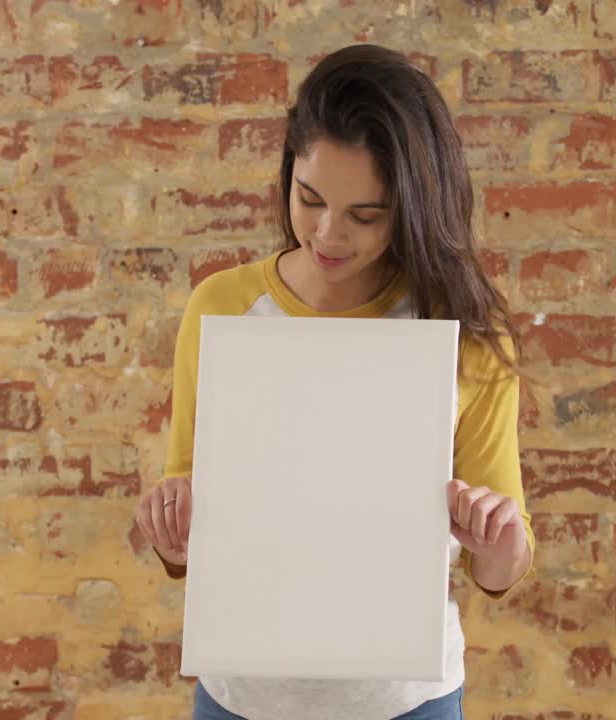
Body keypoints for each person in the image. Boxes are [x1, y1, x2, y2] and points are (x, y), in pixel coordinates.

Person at [133, 43, 535, 720]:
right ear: (288, 170)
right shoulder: (222, 308)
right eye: (309, 198)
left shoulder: (464, 336)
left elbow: (498, 569)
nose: (327, 233)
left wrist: (502, 543)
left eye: (365, 216)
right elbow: (186, 520)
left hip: (407, 703)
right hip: (242, 699)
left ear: (411, 204)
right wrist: (173, 531)